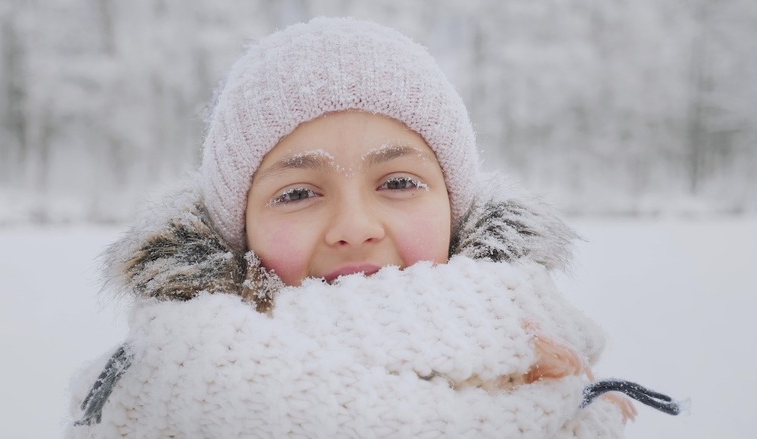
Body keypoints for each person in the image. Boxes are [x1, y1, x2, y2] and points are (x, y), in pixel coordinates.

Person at [66, 17, 678, 438]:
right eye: (299, 192)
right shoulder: (149, 395)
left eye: (399, 183)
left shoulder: (553, 379)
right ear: (237, 228)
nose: (354, 228)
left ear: (454, 208)